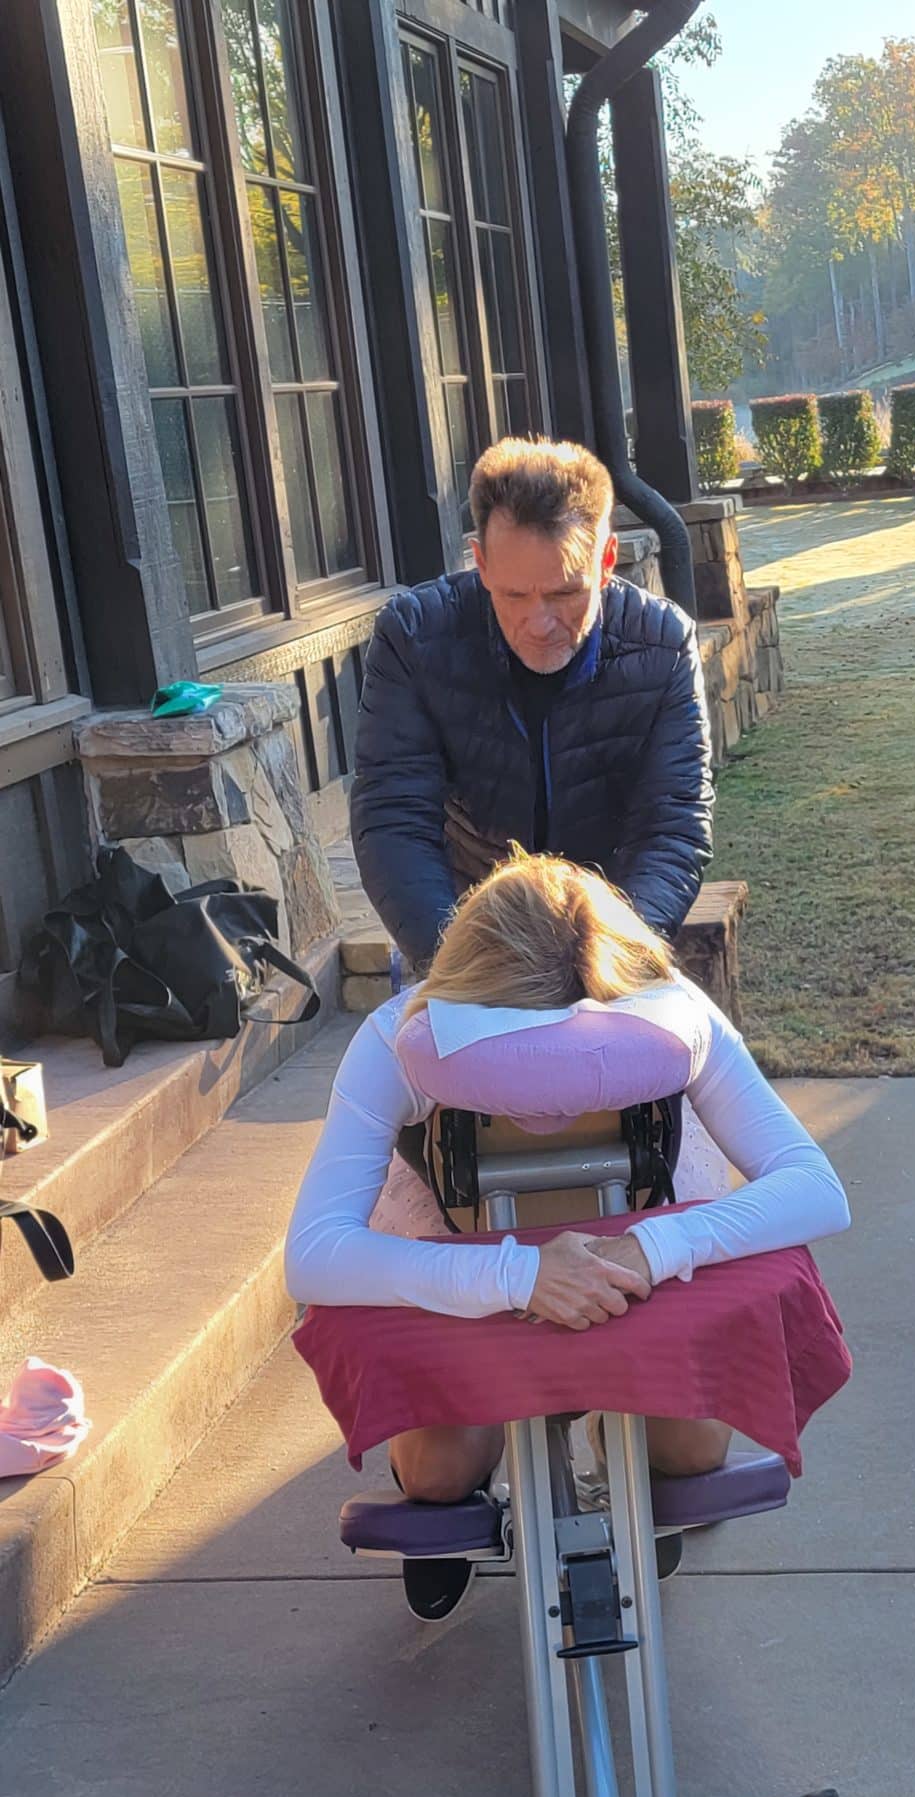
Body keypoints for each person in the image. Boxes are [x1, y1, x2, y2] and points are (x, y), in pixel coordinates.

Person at [285, 850, 851, 1619]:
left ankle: (629, 1461)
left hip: (630, 1252)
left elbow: (814, 1188)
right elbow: (314, 1254)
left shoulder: (667, 1009)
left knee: (691, 1452)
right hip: (469, 1254)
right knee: (437, 1474)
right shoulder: (401, 1036)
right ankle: (469, 1481)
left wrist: (650, 1249)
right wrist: (517, 1275)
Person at [351, 437, 713, 972]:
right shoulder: (413, 637)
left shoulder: (662, 644)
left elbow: (672, 822)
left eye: (566, 594)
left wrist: (617, 957)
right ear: (480, 562)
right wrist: (457, 965)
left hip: (612, 918)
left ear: (606, 560)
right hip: (460, 917)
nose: (540, 625)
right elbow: (394, 818)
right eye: (514, 595)